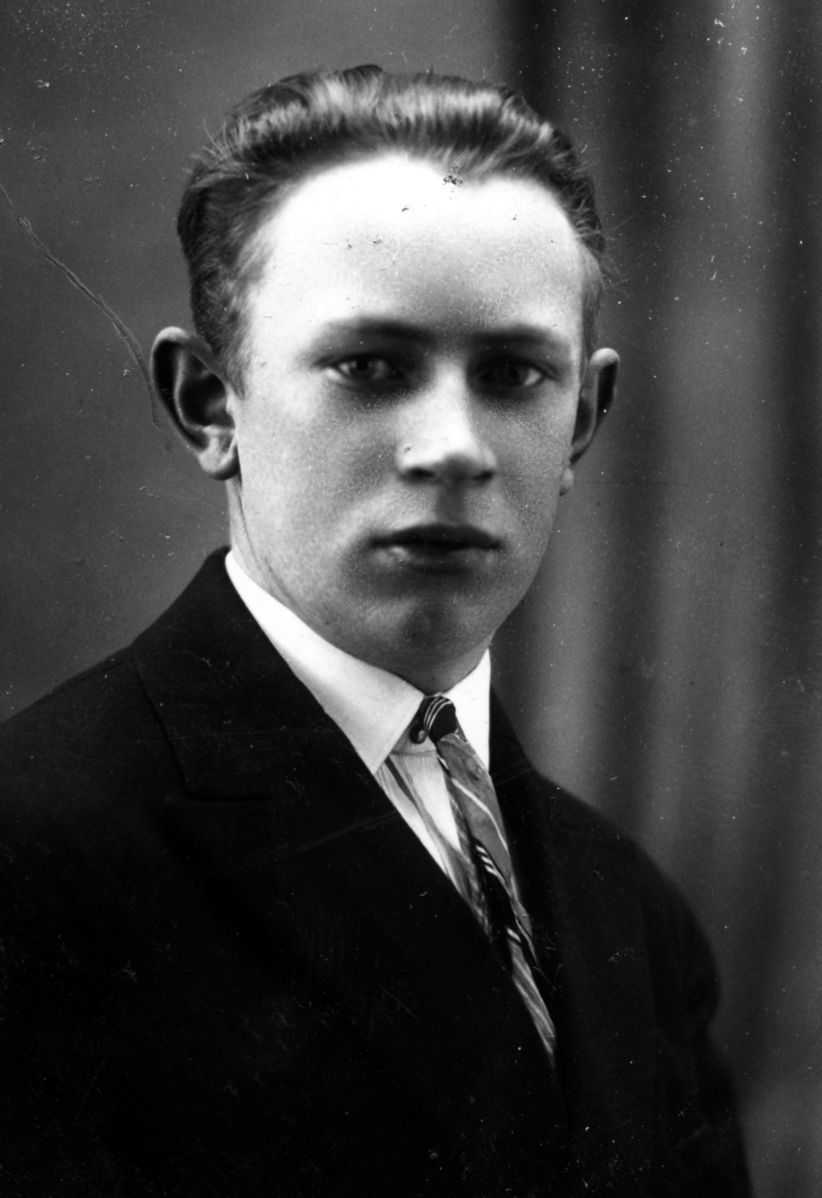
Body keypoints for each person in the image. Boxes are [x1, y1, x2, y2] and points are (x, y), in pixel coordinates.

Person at [0, 65, 749, 1196]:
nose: (452, 446)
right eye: (370, 368)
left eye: (513, 374)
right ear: (209, 402)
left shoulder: (632, 915)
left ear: (583, 419)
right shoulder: (37, 856)